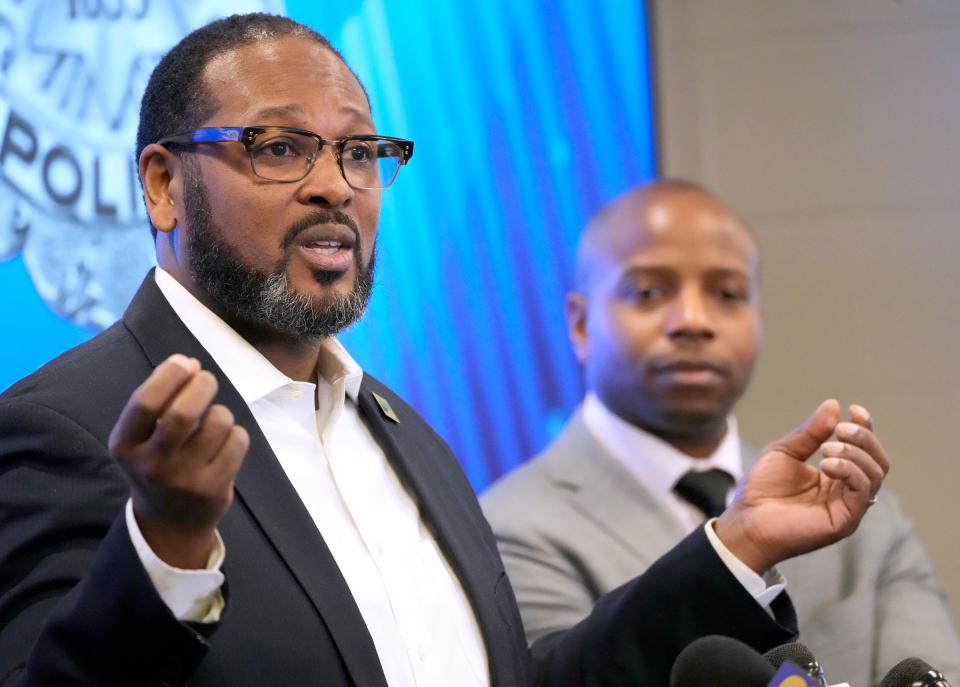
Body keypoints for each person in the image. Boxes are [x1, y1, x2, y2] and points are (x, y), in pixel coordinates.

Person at [0, 15, 890, 687]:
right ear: (163, 184)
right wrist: (164, 548)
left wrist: (736, 544)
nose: (334, 186)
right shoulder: (63, 426)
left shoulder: (407, 436)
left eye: (360, 152)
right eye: (280, 148)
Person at [481, 180, 960, 686]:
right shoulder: (506, 529)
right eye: (648, 292)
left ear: (758, 317)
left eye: (727, 294)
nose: (692, 320)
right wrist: (741, 547)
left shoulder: (866, 522)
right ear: (580, 325)